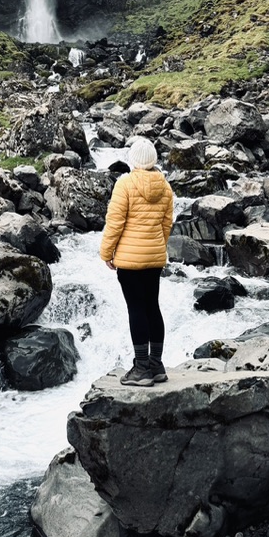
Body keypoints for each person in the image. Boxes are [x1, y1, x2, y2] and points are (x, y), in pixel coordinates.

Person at [100, 136, 174, 387]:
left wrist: (106, 252)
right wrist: (157, 248)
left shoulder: (125, 184)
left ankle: (141, 368)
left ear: (133, 161)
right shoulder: (165, 186)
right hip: (154, 259)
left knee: (137, 309)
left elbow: (115, 223)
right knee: (153, 306)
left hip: (129, 262)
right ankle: (156, 364)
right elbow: (166, 224)